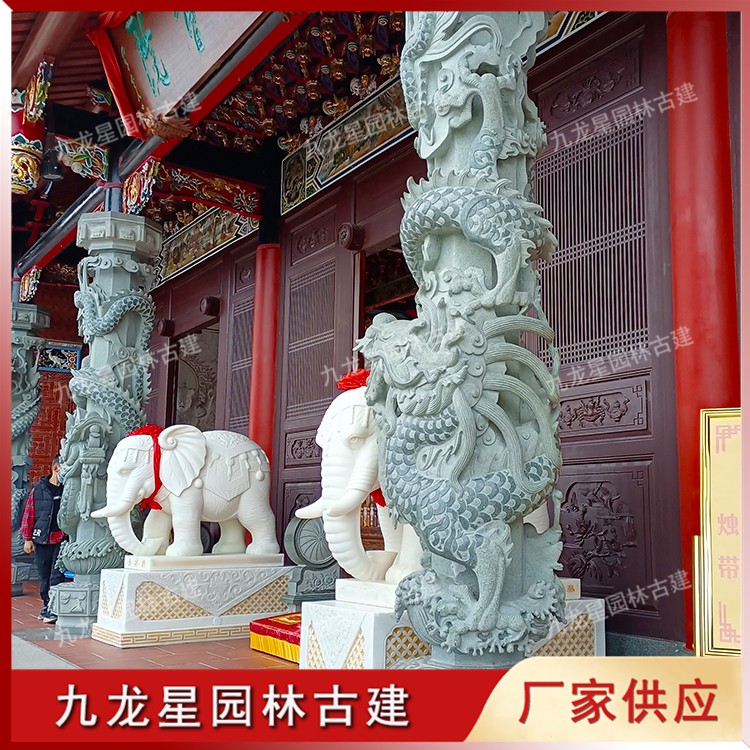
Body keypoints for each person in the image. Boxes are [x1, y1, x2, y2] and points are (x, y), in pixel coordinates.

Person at [21, 455, 67, 623]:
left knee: (57, 575)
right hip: (42, 539)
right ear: (56, 468)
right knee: (44, 575)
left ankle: (53, 608)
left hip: (61, 539)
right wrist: (27, 538)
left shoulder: (67, 489)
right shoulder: (39, 489)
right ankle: (46, 605)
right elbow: (29, 514)